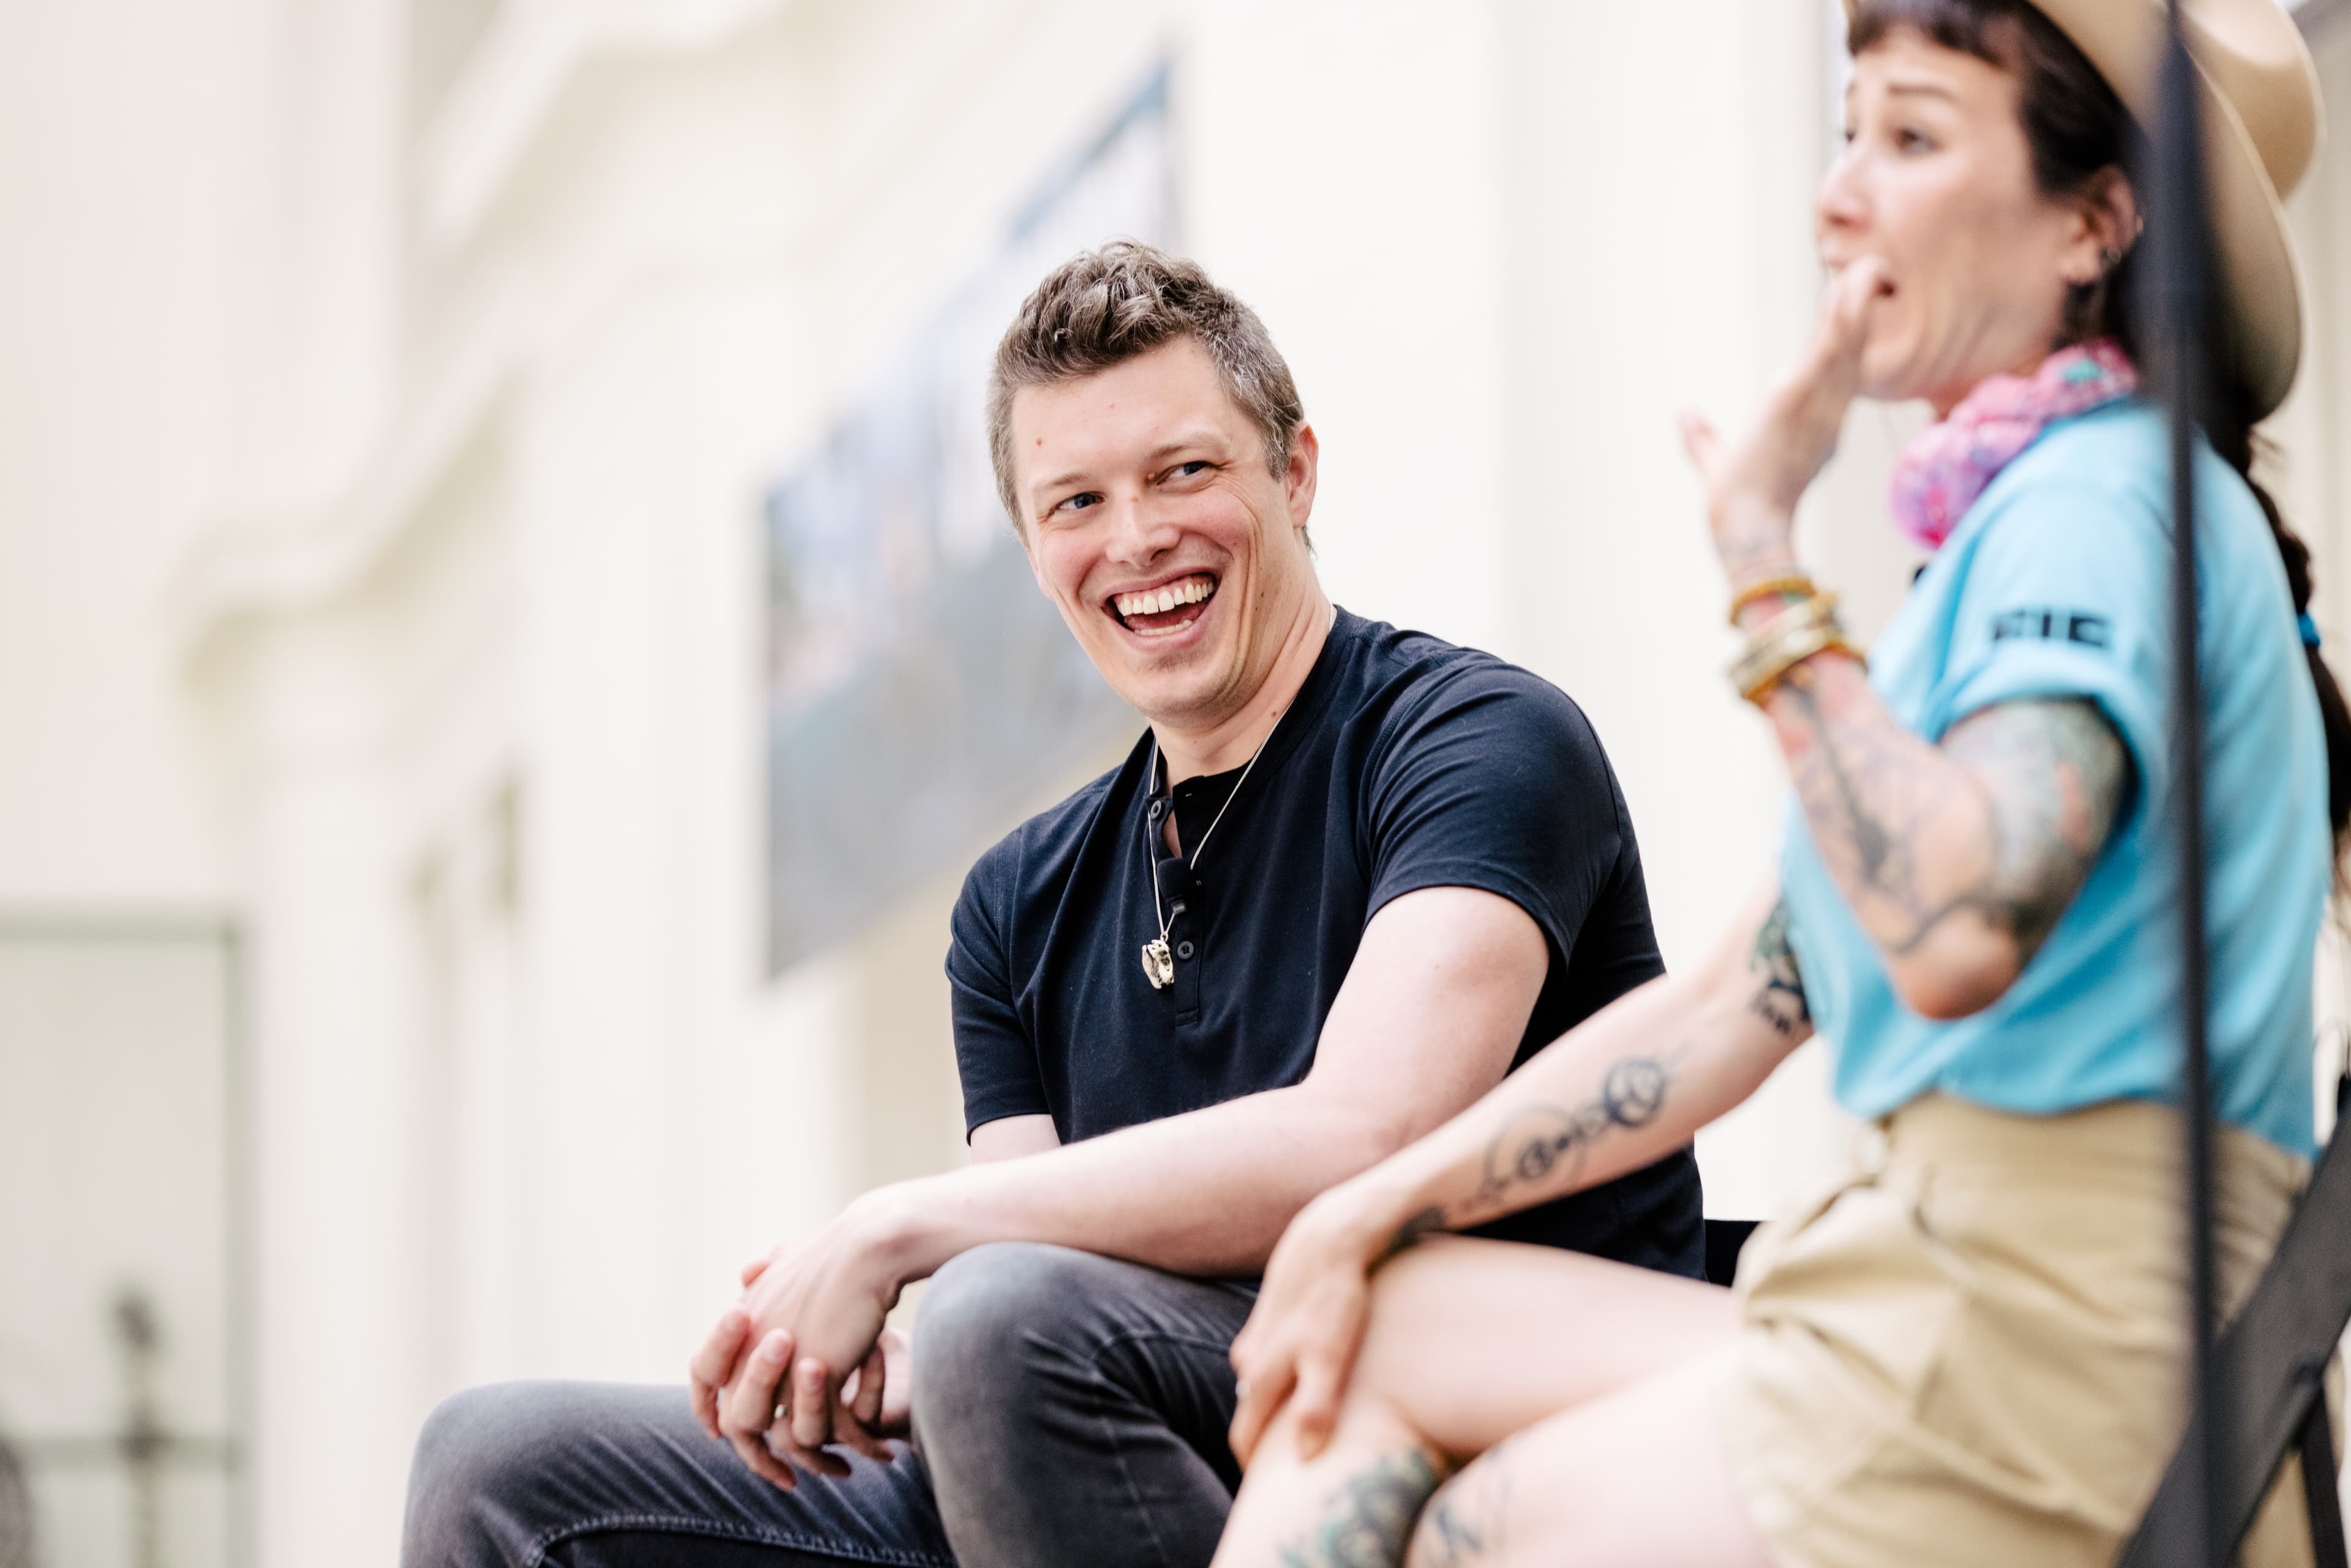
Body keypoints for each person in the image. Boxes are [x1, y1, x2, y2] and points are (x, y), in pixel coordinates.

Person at [1207, 2, 2347, 1566]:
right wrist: (1360, 1209)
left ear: (2095, 222)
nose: (1838, 193)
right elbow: (1727, 1005)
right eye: (1845, 127)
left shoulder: (2100, 503)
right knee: (1379, 1328)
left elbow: (1952, 923)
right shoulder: (2037, 530)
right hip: (1946, 1299)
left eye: (1913, 135)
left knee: (1468, 1527)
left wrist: (1759, 555)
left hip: (2049, 1349)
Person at [399, 242, 1704, 1568]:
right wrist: (879, 1370)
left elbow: (1369, 1132)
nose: (1136, 540)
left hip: (1459, 1406)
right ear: (1030, 550)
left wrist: (896, 1234)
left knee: (1002, 1313)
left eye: (1183, 472)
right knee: (499, 1468)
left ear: (1294, 472)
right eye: (1074, 501)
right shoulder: (1017, 901)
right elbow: (1038, 1256)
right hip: (1133, 1423)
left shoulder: (1476, 740)